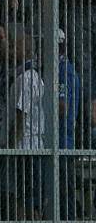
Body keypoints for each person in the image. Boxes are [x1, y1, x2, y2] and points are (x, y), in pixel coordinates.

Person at [1, 28, 44, 219]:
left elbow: (21, 116)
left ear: (26, 51)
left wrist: (10, 147)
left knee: (25, 199)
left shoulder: (28, 78)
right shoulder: (23, 76)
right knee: (21, 197)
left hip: (25, 147)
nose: (10, 49)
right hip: (26, 146)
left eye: (14, 46)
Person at [58, 29, 80, 220]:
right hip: (59, 140)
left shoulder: (64, 71)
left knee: (64, 193)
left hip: (62, 141)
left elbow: (62, 106)